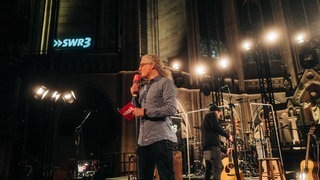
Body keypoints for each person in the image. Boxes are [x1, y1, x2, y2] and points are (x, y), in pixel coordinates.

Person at [130, 54, 178, 180]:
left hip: (161, 138)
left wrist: (145, 112)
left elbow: (171, 109)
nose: (139, 69)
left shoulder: (166, 83)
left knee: (166, 176)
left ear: (152, 65)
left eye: (142, 65)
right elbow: (136, 109)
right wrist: (134, 94)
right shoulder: (143, 87)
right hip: (143, 140)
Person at [200, 104, 233, 180]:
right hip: (213, 149)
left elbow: (212, 140)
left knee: (208, 169)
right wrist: (228, 136)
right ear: (217, 112)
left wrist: (225, 150)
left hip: (206, 149)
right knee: (217, 168)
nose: (219, 116)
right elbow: (216, 127)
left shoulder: (204, 122)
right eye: (219, 114)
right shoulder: (212, 114)